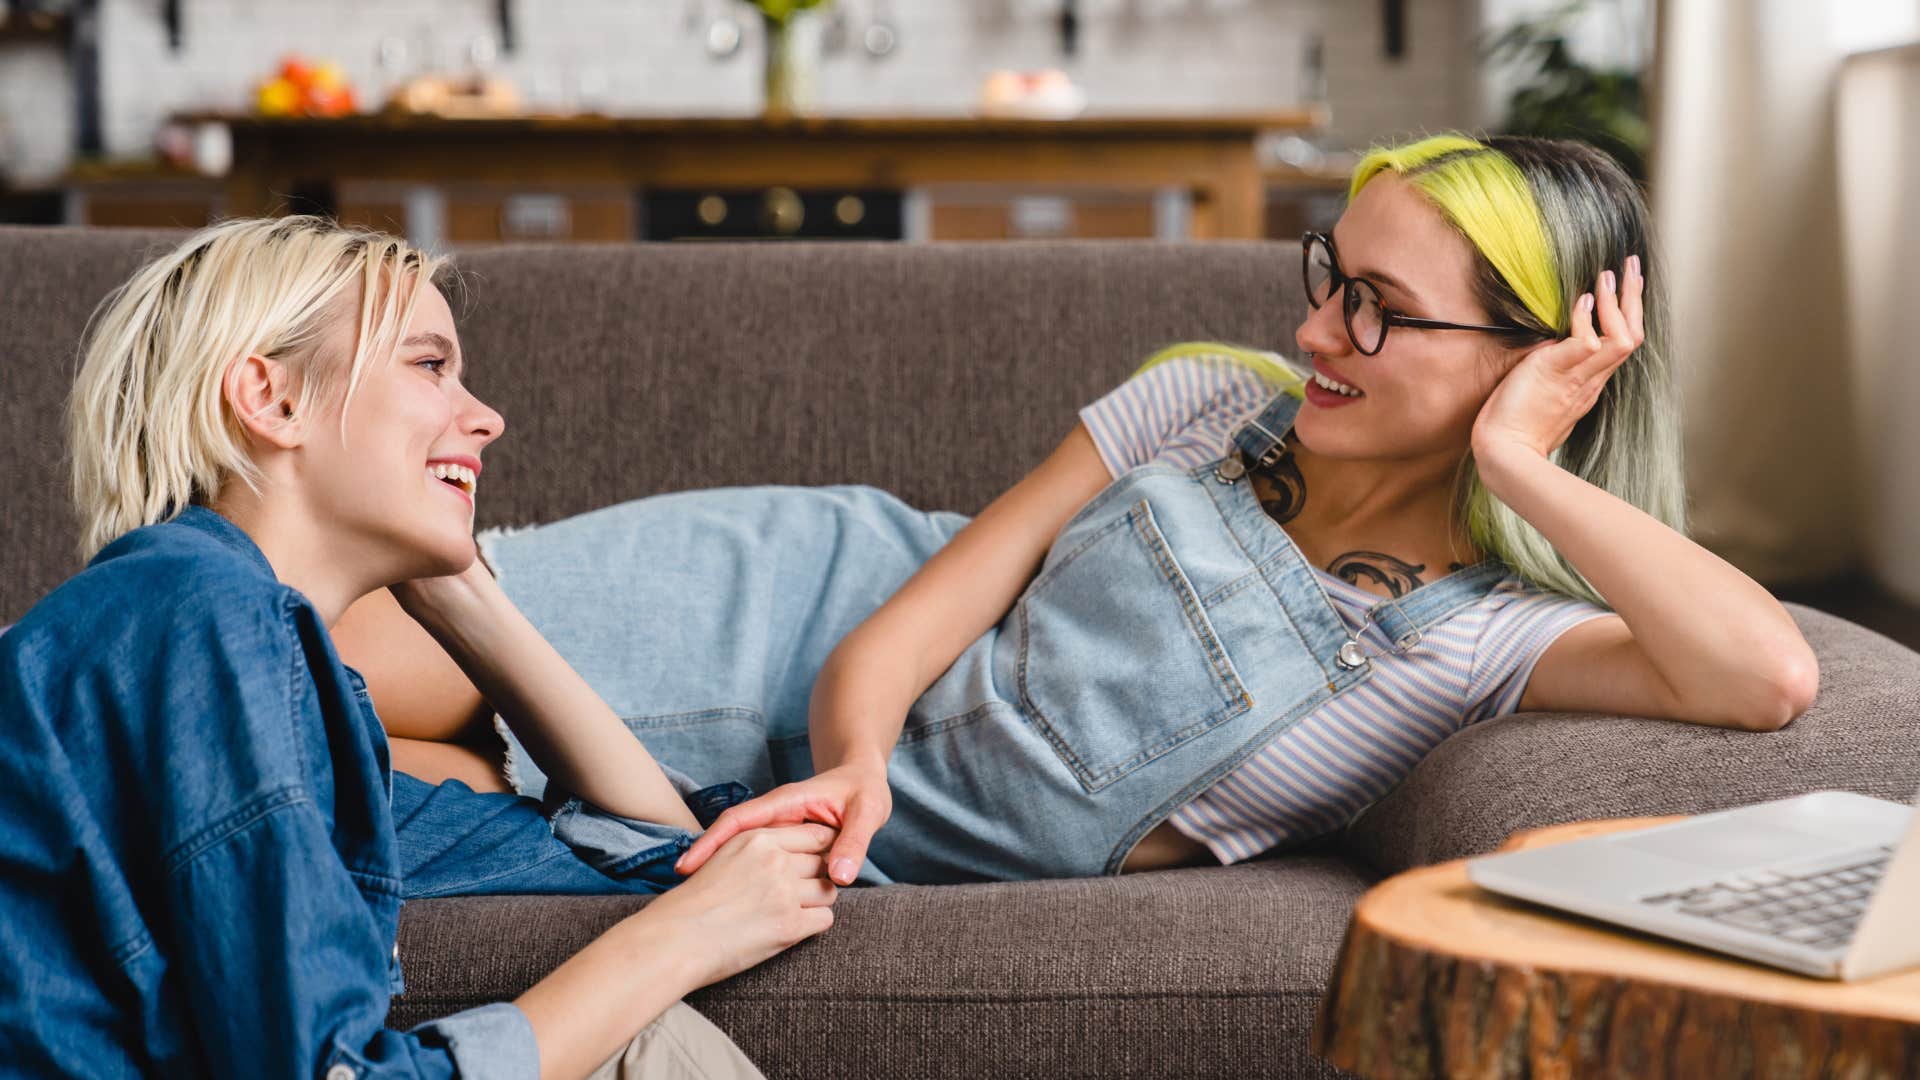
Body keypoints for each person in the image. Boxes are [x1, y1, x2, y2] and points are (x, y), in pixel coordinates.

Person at [338, 133, 1820, 890]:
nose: (1316, 335)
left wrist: (1524, 467)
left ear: (1529, 363)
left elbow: (1767, 678)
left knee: (361, 791)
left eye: (1380, 314)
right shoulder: (1199, 405)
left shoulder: (1480, 646)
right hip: (800, 614)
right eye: (1331, 277)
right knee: (320, 657)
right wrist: (856, 765)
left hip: (809, 833)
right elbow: (903, 621)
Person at [0, 216, 839, 1077]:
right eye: (431, 365)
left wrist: (464, 596)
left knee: (655, 1042)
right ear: (273, 399)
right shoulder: (205, 625)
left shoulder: (286, 686)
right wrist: (681, 942)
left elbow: (661, 861)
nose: (488, 419)